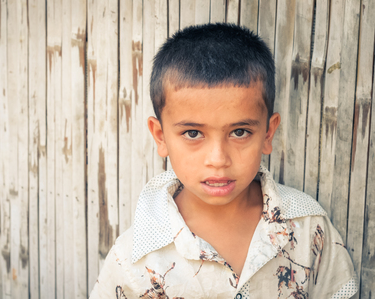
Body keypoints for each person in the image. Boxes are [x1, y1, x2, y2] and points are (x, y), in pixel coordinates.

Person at [90, 23, 357, 298]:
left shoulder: (309, 227)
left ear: (268, 133)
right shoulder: (132, 260)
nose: (218, 159)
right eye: (193, 133)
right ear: (161, 136)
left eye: (239, 132)